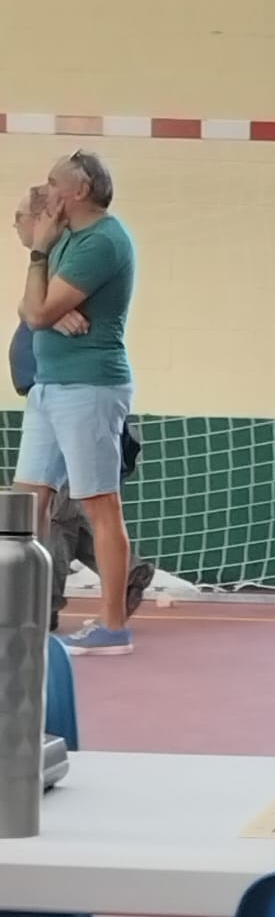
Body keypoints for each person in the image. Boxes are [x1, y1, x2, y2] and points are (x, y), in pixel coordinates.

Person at [10, 186, 153, 631]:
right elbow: (30, 308)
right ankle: (23, 611)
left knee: (87, 509)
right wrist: (44, 310)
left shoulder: (86, 249)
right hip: (46, 392)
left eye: (19, 217)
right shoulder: (48, 264)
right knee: (29, 507)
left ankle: (107, 623)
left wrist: (45, 311)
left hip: (84, 392)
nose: (14, 226)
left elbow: (37, 312)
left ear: (42, 219)